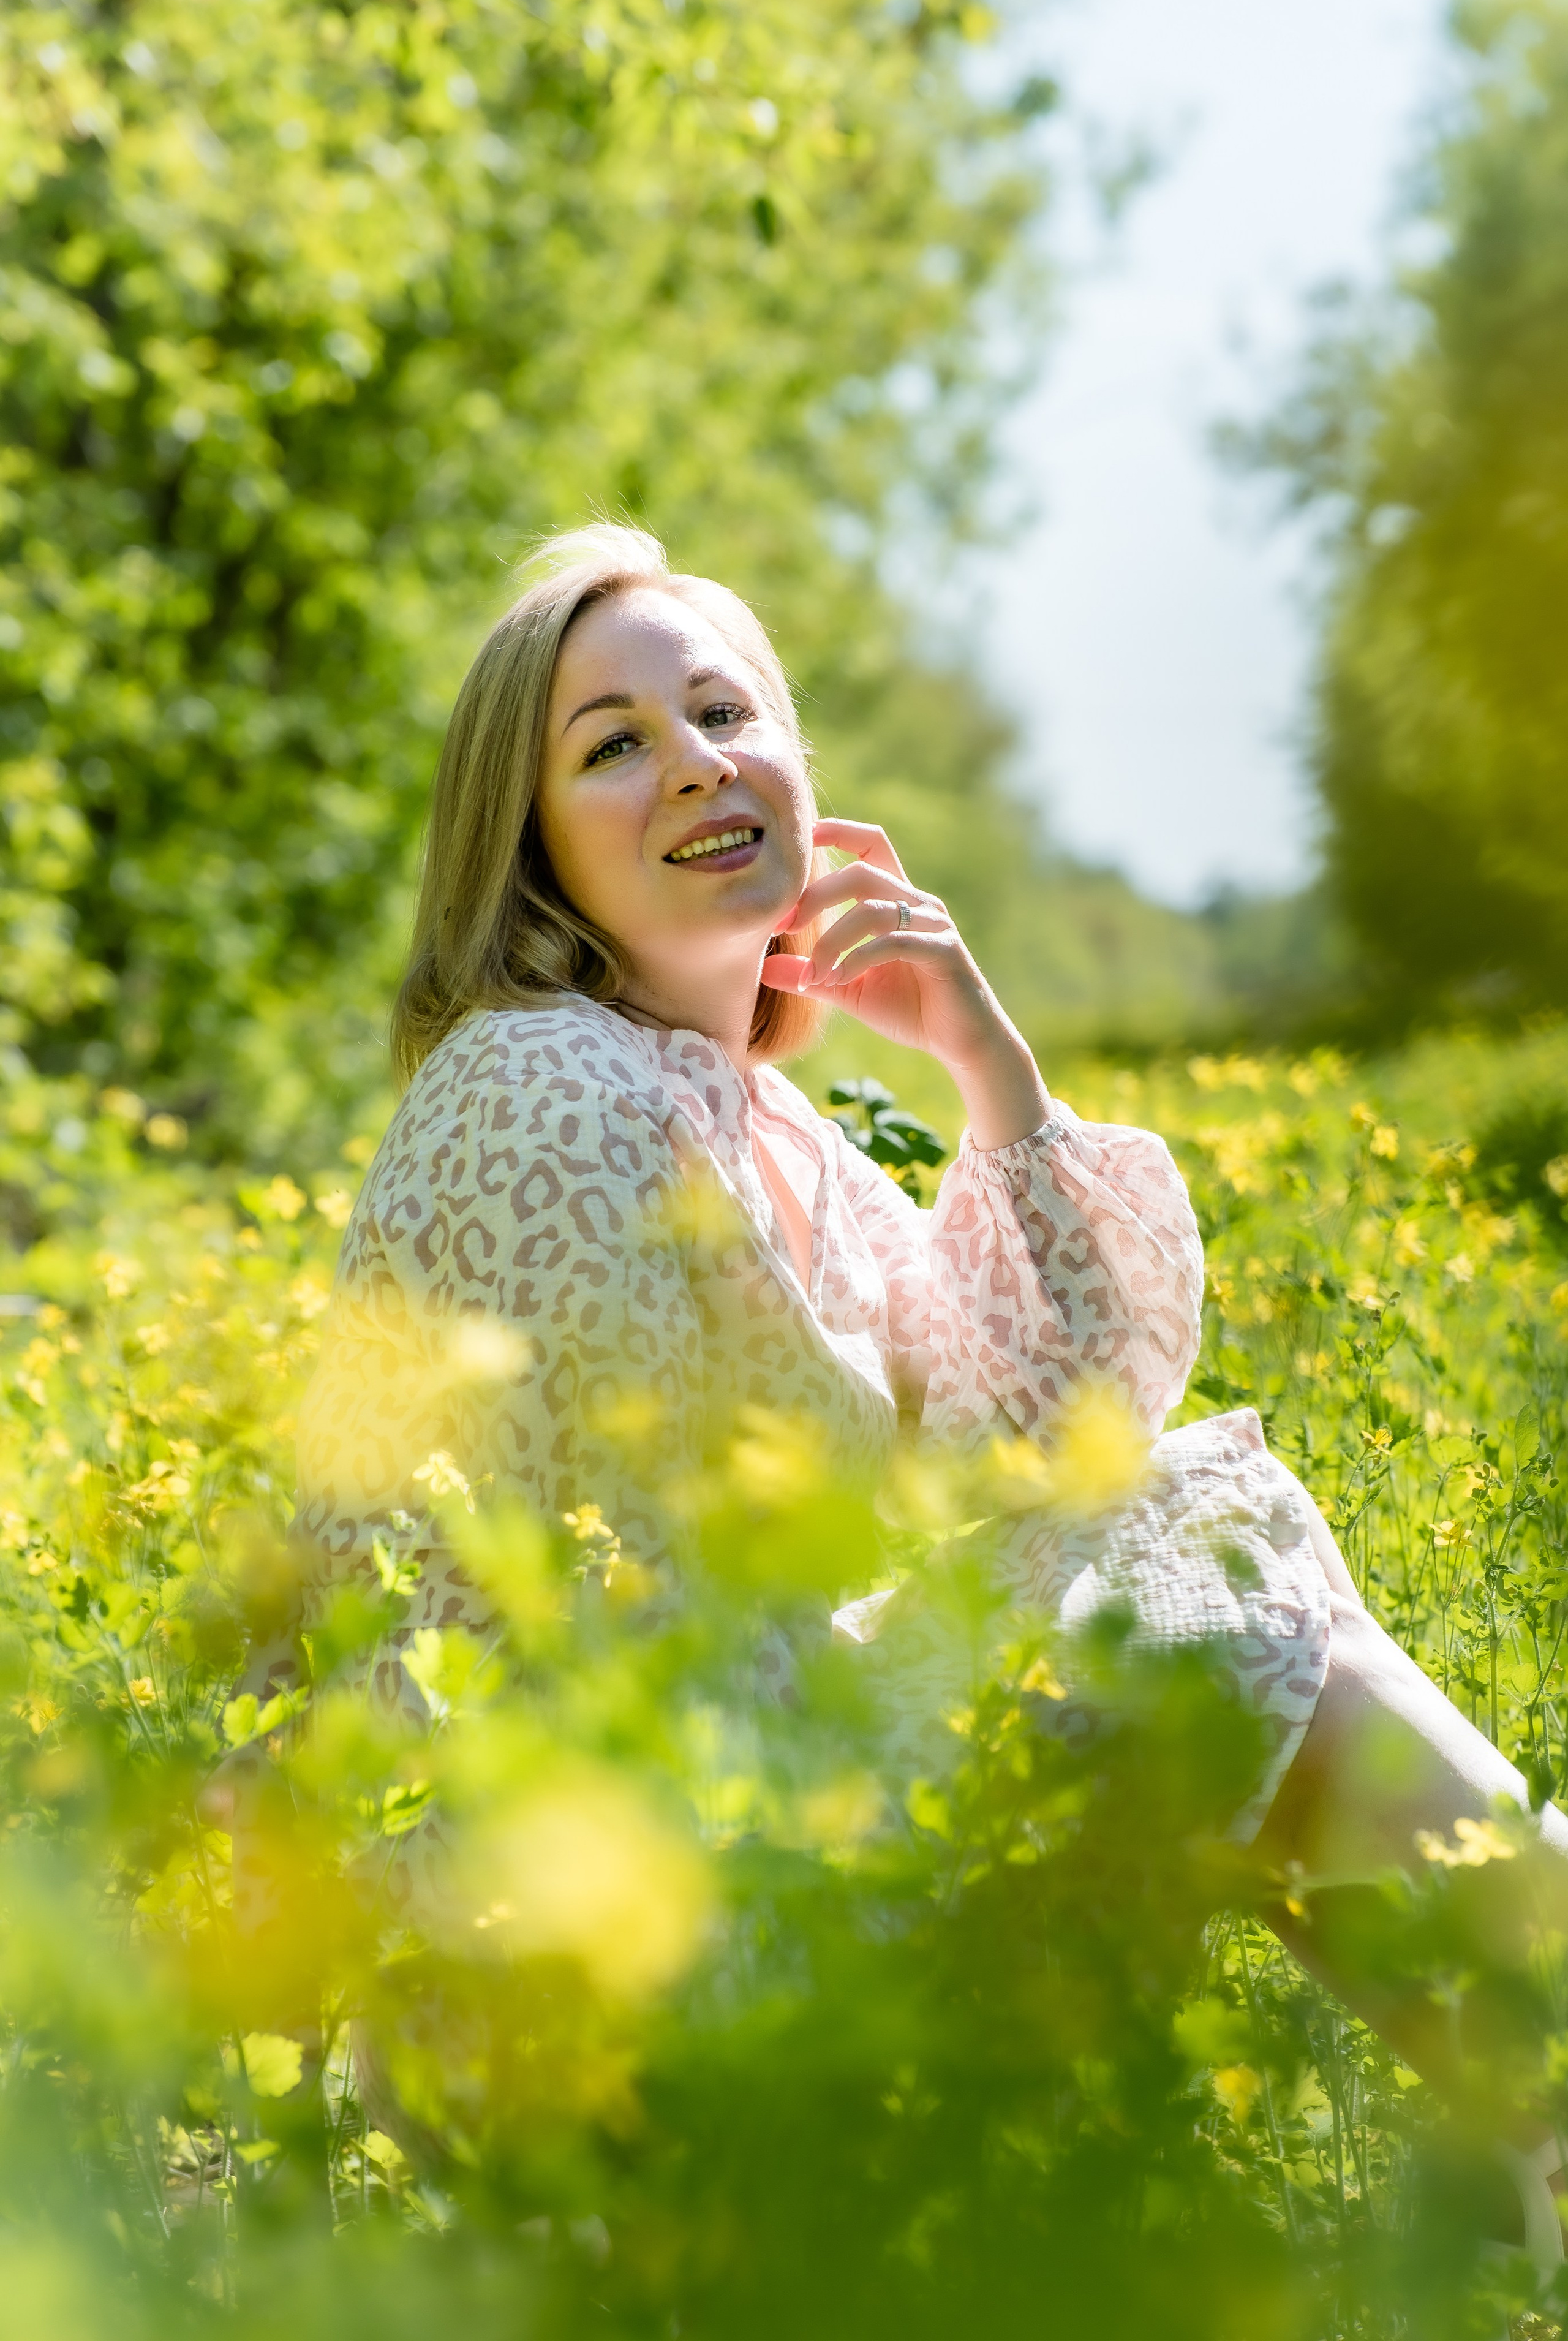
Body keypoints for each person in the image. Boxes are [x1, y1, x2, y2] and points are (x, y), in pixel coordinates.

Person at [264, 524, 1568, 2217]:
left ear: (803, 773)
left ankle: (1545, 2165)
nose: (694, 762)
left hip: (732, 1832)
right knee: (1230, 1610)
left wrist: (986, 1061)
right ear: (531, 854)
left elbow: (1056, 1426)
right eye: (613, 744)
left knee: (1226, 1609)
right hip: (595, 1952)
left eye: (725, 710)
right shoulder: (541, 1090)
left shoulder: (758, 1123)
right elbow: (592, 1618)